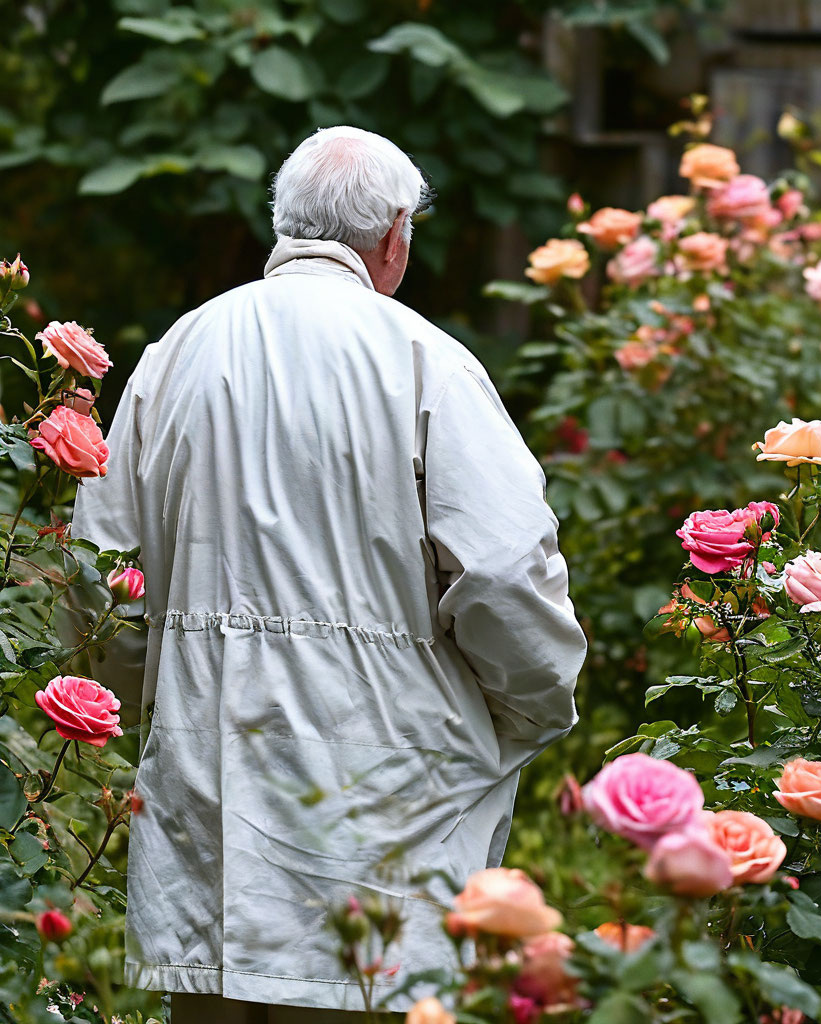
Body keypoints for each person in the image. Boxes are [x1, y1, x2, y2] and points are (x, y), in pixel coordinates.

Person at [71, 126, 586, 1024]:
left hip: (205, 792)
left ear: (284, 223)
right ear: (394, 235)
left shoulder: (177, 353)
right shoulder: (427, 360)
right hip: (387, 794)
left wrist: (158, 695)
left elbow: (102, 579)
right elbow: (505, 572)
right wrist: (534, 707)